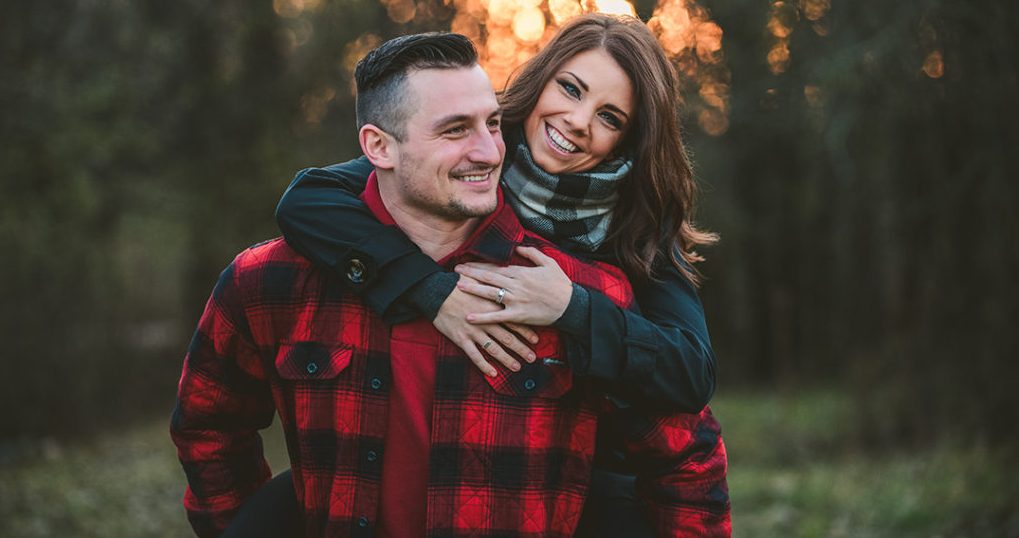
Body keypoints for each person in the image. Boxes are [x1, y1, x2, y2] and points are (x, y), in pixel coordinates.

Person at [170, 32, 730, 538]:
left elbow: (689, 395)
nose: (580, 120)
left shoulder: (632, 240)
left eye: (611, 117)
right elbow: (304, 200)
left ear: (629, 142)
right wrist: (430, 291)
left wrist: (572, 308)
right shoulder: (286, 270)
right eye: (571, 89)